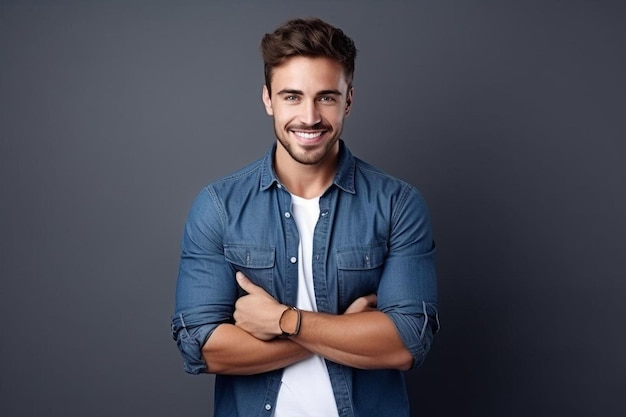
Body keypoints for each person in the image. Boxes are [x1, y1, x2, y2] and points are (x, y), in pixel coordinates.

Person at [171, 17, 439, 417]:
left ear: (348, 100)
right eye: (292, 97)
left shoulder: (397, 203)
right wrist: (339, 331)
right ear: (268, 100)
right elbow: (203, 348)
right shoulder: (219, 206)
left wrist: (284, 319)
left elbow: (405, 344)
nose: (310, 117)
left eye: (326, 97)